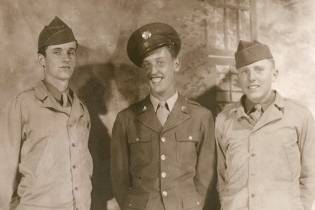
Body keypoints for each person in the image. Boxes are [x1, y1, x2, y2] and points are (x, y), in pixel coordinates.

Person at [110, 22, 217, 210]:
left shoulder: (201, 117)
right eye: (147, 65)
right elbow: (119, 180)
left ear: (176, 64)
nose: (153, 72)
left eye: (160, 62)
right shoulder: (126, 120)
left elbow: (206, 179)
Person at [0, 16, 92, 210]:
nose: (66, 58)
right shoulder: (22, 105)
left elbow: (84, 169)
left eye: (71, 52)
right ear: (42, 59)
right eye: (57, 52)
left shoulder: (81, 110)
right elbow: (4, 172)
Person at [215, 40, 315, 210]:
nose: (252, 77)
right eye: (244, 71)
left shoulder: (299, 116)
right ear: (238, 78)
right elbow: (222, 178)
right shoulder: (224, 120)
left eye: (259, 69)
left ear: (274, 74)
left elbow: (309, 176)